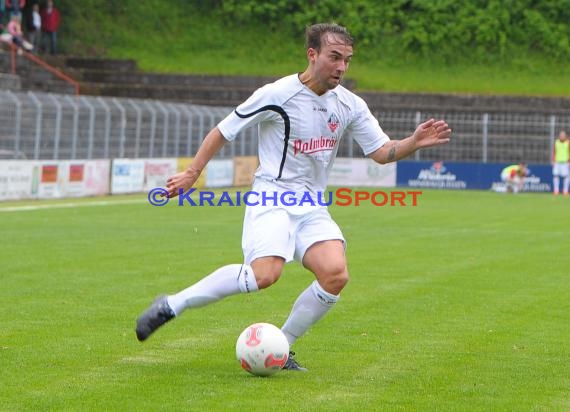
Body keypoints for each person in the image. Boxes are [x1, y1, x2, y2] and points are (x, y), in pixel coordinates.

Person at [135, 23, 452, 371]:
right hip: (273, 197)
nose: (341, 67)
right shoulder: (277, 94)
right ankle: (172, 304)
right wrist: (192, 173)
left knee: (335, 274)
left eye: (347, 60)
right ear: (312, 54)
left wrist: (412, 142)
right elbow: (223, 131)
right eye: (334, 57)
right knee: (264, 276)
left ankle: (281, 347)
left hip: (312, 205)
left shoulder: (350, 104)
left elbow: (380, 151)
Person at [551, 130, 570, 196]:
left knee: (566, 177)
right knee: (556, 176)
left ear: (565, 136)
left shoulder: (568, 143)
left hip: (565, 162)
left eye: (563, 135)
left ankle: (565, 191)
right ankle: (556, 191)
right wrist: (553, 160)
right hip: (557, 162)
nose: (562, 136)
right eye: (561, 135)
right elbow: (554, 152)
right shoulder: (556, 142)